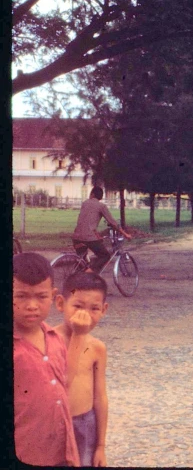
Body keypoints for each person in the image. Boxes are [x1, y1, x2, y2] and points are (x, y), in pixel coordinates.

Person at [13, 252, 90, 466]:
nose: (32, 305)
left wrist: (79, 335)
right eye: (21, 296)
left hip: (61, 453)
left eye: (40, 296)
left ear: (53, 295)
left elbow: (66, 382)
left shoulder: (54, 339)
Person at [53, 271, 110, 467]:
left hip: (85, 424)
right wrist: (78, 335)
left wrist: (101, 445)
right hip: (54, 425)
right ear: (61, 303)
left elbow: (100, 397)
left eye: (94, 308)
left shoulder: (97, 348)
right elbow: (63, 380)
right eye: (77, 306)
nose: (84, 314)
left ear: (104, 309)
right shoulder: (49, 340)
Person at [72, 186, 132, 273]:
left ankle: (81, 276)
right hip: (89, 238)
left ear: (92, 194)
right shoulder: (101, 206)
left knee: (82, 260)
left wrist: (96, 233)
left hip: (76, 237)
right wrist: (125, 234)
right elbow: (112, 222)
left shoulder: (84, 203)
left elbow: (86, 221)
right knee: (105, 256)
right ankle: (90, 273)